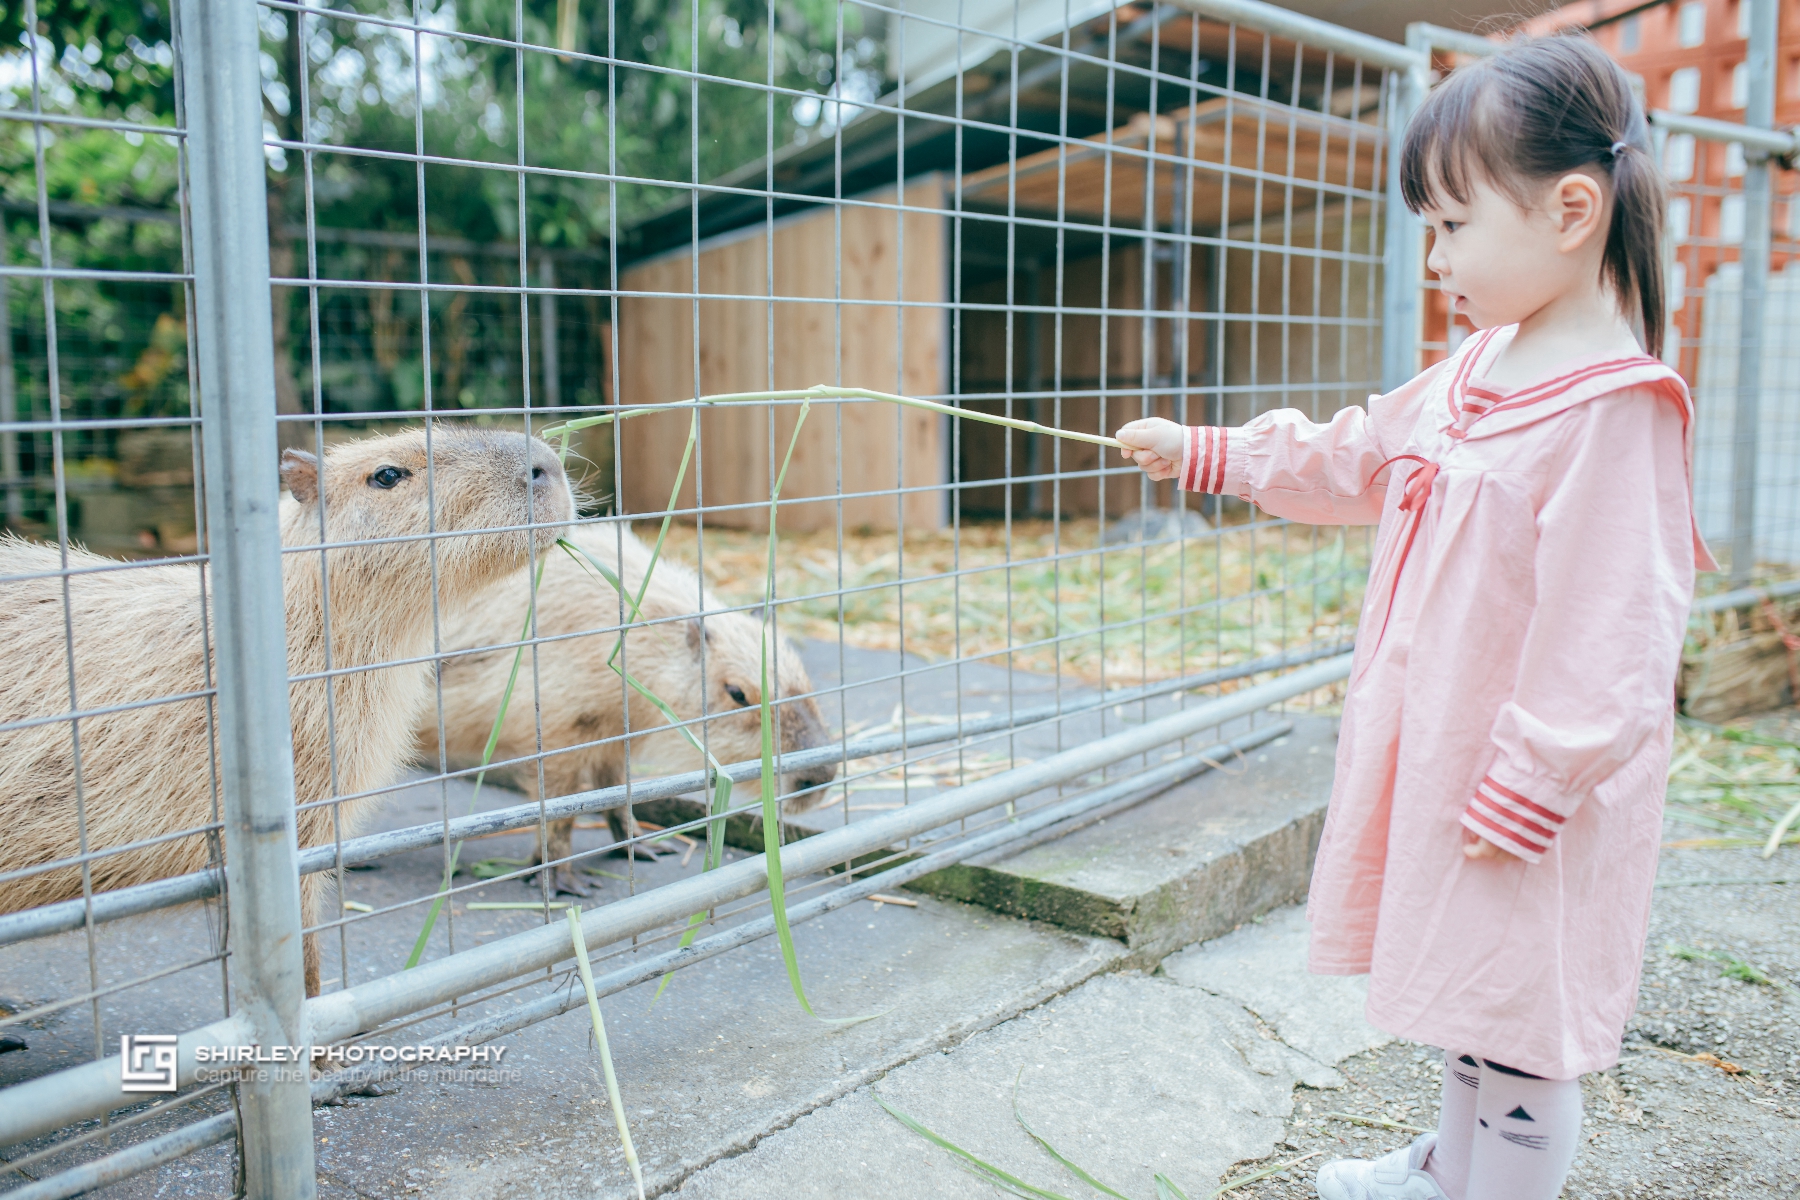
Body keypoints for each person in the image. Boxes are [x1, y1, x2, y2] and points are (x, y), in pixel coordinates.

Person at [1116, 35, 1712, 1200]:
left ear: (1571, 210)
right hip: (1446, 747)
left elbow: (1617, 634)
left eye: (1451, 225)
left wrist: (1538, 779)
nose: (1434, 257)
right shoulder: (1476, 368)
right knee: (1468, 985)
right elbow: (1358, 453)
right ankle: (1456, 1170)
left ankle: (1502, 1184)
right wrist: (1212, 454)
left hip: (1529, 786)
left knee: (1523, 1014)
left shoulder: (1614, 413)